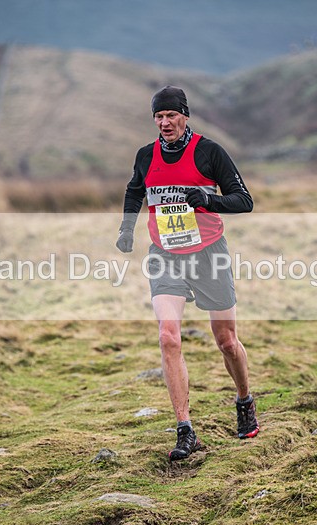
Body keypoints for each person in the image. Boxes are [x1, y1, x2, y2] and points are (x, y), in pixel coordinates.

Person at [115, 86, 258, 461]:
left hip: (209, 253)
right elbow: (134, 191)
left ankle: (244, 400)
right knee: (168, 336)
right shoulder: (146, 156)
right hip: (165, 254)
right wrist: (127, 229)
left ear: (185, 116)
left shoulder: (209, 152)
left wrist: (209, 200)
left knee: (226, 341)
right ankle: (185, 429)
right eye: (159, 116)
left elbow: (244, 201)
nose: (165, 123)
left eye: (171, 115)